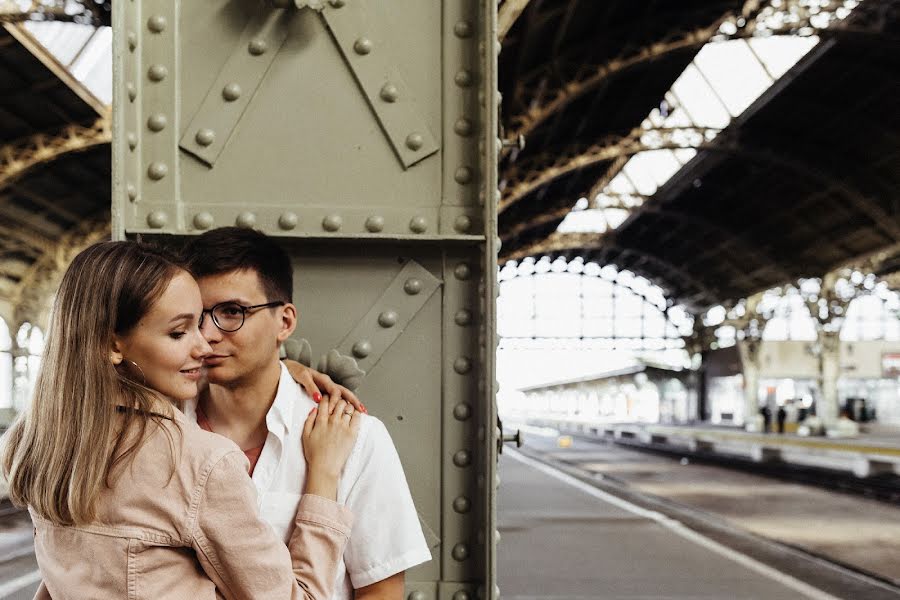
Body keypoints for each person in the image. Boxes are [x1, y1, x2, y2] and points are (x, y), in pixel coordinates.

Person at [1, 241, 360, 599]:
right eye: (178, 332)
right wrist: (324, 477)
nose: (204, 346)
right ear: (112, 346)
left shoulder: (32, 445)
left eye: (200, 324)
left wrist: (282, 370)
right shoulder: (198, 463)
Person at [181, 227, 432, 600]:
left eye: (231, 312)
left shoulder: (357, 438)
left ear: (285, 322)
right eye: (195, 317)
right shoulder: (160, 430)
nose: (208, 335)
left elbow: (381, 592)